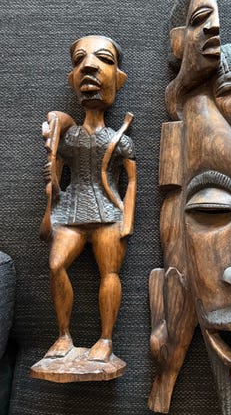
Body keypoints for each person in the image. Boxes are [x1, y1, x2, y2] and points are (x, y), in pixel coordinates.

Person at [41, 35, 136, 363]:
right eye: (79, 60)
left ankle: (106, 339)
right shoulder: (67, 138)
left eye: (103, 60)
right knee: (55, 265)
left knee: (109, 273)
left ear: (119, 79)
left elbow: (132, 181)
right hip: (71, 213)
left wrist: (128, 220)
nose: (89, 67)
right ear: (72, 79)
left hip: (109, 215)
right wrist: (52, 174)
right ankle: (64, 335)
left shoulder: (119, 140)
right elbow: (55, 181)